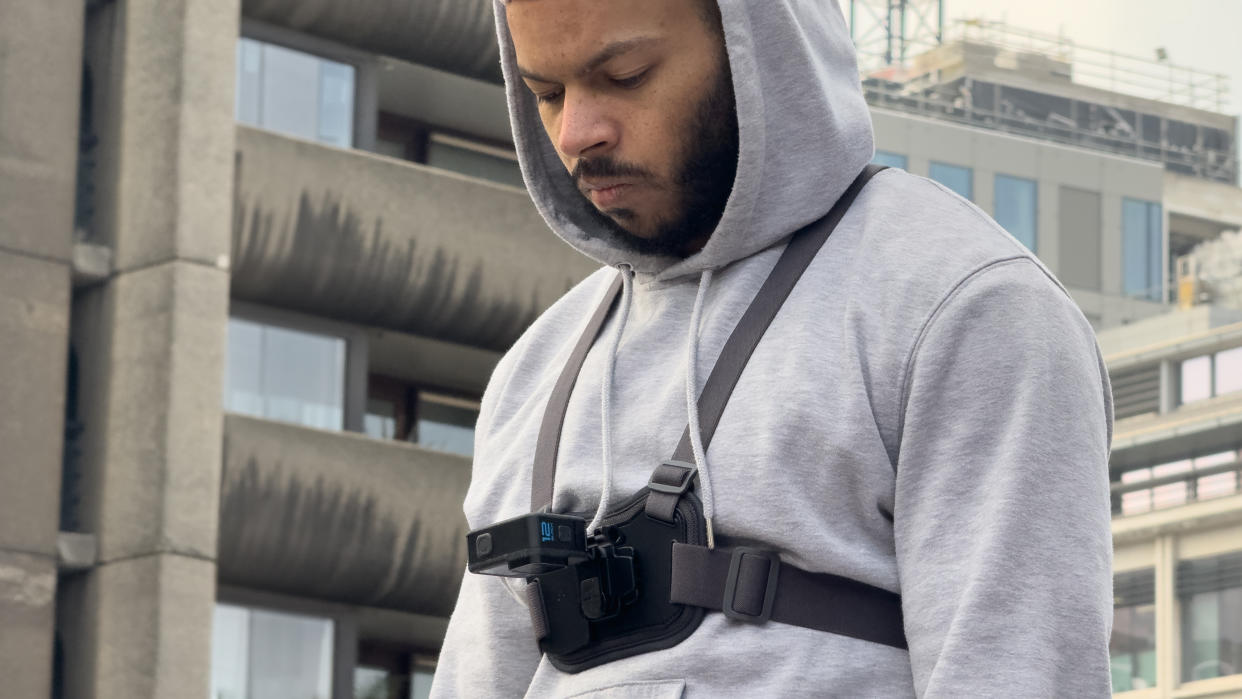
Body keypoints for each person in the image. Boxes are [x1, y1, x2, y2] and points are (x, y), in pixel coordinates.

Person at [431, 0, 1115, 696]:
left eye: (627, 75)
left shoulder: (963, 305)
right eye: (546, 93)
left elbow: (1016, 674)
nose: (577, 132)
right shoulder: (535, 370)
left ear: (753, 46)